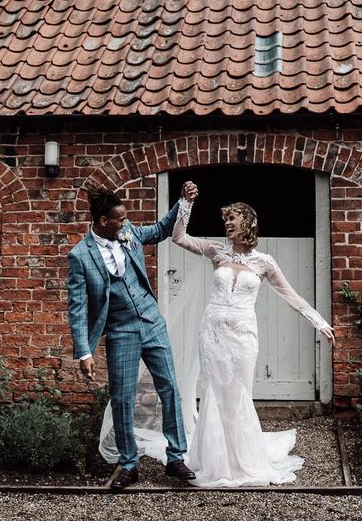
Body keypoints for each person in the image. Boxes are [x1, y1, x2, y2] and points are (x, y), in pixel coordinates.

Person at [172, 183, 336, 487]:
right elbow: (179, 237)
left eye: (232, 219)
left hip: (243, 335)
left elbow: (292, 296)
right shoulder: (215, 251)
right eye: (225, 220)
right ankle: (213, 461)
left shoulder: (264, 263)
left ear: (248, 222)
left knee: (238, 395)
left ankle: (243, 460)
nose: (227, 224)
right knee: (214, 394)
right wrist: (185, 204)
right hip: (213, 332)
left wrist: (319, 322)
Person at [66, 184, 198, 489]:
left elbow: (163, 229)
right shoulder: (80, 256)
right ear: (102, 222)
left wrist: (183, 201)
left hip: (152, 322)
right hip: (120, 330)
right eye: (120, 220)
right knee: (122, 398)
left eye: (126, 220)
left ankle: (176, 457)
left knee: (170, 389)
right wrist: (84, 352)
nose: (126, 224)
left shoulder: (129, 234)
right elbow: (77, 308)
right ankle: (128, 464)